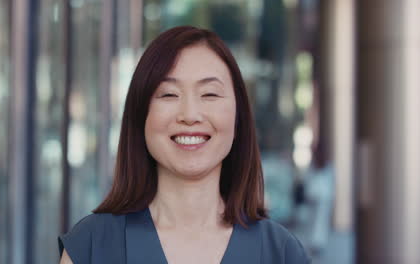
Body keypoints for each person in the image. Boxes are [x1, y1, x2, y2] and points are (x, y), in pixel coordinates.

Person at [58, 26, 310, 264]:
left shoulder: (282, 253)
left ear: (238, 119)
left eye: (209, 94)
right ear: (140, 116)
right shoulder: (91, 247)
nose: (190, 115)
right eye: (169, 94)